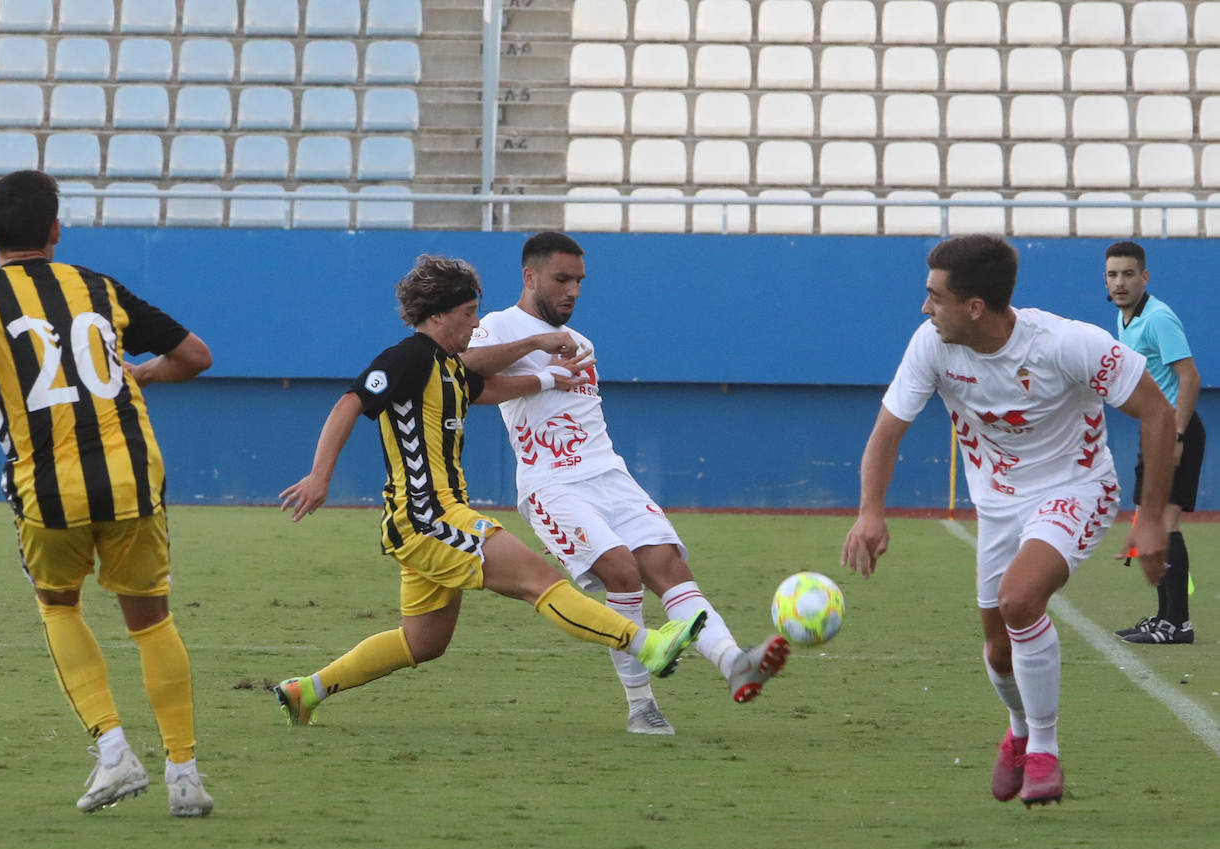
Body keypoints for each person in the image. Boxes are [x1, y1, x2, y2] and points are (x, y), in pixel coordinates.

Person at [273, 254, 707, 728]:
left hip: (429, 520)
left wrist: (547, 377)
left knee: (424, 644)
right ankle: (649, 645)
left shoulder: (445, 366)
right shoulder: (409, 357)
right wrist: (320, 476)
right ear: (438, 315)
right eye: (468, 314)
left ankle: (305, 692)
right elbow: (350, 402)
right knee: (541, 581)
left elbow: (484, 389)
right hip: (428, 517)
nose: (476, 323)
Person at [840, 234, 1174, 807]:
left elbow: (1159, 414)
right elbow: (886, 433)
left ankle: (1044, 749)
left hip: (1077, 487)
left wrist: (1149, 520)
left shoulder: (1068, 343)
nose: (925, 308)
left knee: (1021, 601)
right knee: (999, 652)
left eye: (934, 296)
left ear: (974, 307)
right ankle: (1020, 731)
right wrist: (871, 512)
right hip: (997, 505)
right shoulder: (931, 345)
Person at [0, 170, 215, 817]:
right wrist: (143, 371)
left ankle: (113, 752)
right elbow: (197, 355)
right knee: (151, 619)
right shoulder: (97, 287)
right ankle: (185, 774)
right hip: (133, 475)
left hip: (48, 487)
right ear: (55, 231)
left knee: (59, 606)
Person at [460, 231, 790, 736]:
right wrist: (537, 351)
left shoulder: (583, 342)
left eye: (579, 281)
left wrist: (553, 365)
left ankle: (733, 663)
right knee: (621, 569)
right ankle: (641, 706)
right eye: (561, 279)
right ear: (529, 277)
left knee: (668, 565)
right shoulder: (498, 326)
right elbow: (464, 376)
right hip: (552, 485)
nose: (572, 290)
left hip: (609, 475)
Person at [1103, 241, 1207, 645]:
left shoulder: (1158, 317)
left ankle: (1178, 624)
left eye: (1129, 274)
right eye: (1113, 274)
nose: (1120, 282)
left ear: (1145, 277)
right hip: (1155, 430)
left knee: (1166, 523)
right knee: (1153, 524)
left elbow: (1190, 378)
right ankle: (1164, 617)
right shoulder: (1125, 318)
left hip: (1175, 431)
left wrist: (1177, 435)